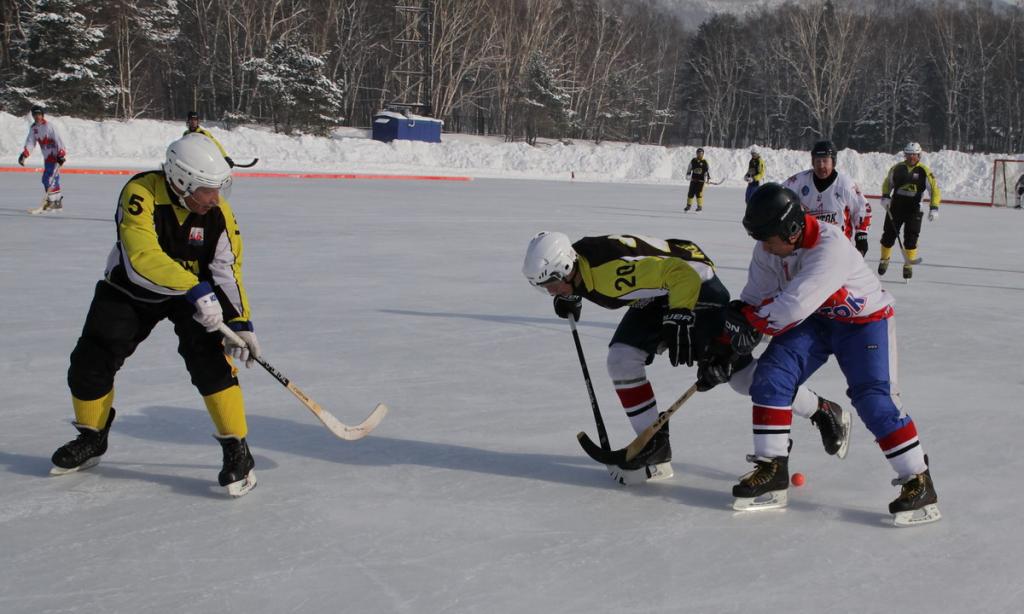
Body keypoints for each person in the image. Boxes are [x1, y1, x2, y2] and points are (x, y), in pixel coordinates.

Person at [521, 231, 850, 486]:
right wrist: (572, 294)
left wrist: (678, 316)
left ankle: (823, 410)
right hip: (659, 295)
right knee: (622, 359)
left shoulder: (610, 273)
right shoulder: (581, 265)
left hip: (696, 289)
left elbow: (682, 275)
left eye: (551, 284)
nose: (550, 291)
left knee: (740, 378)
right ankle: (655, 450)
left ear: (566, 267)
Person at [49, 133, 261, 497]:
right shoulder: (140, 193)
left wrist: (240, 321)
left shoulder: (219, 214)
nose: (216, 199)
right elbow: (141, 257)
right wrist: (194, 288)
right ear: (181, 182)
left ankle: (236, 450)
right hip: (133, 289)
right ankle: (92, 437)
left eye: (219, 188)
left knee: (210, 361)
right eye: (207, 190)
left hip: (197, 295)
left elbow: (227, 268)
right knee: (91, 360)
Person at [726, 183, 940, 526]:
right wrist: (729, 337)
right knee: (770, 377)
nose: (764, 247)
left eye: (769, 239)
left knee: (873, 400)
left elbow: (791, 307)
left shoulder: (831, 247)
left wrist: (750, 324)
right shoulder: (769, 248)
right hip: (817, 321)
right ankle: (772, 469)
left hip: (865, 324)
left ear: (792, 230)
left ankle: (918, 480)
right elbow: (756, 298)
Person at [783, 140, 871, 256]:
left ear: (833, 162)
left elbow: (863, 209)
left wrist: (861, 236)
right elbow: (779, 196)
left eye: (825, 161)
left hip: (837, 248)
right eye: (817, 161)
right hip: (807, 248)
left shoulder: (845, 185)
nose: (821, 166)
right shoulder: (798, 182)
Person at [878, 142, 941, 279]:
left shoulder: (924, 171)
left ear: (919, 155)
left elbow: (934, 190)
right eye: (909, 154)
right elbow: (887, 184)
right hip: (895, 208)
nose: (911, 157)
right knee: (888, 235)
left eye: (914, 154)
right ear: (905, 154)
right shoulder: (897, 168)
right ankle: (884, 259)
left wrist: (934, 208)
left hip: (914, 210)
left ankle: (908, 264)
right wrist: (885, 196)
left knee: (911, 238)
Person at [18, 106, 66, 212]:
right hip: (47, 158)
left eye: (39, 114)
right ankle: (56, 202)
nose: (37, 116)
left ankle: (52, 202)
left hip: (55, 156)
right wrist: (24, 154)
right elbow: (31, 142)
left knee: (49, 178)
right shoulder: (34, 128)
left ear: (42, 115)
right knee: (50, 179)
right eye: (35, 114)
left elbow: (58, 140)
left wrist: (61, 154)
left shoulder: (49, 126)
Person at [684, 147, 710, 212]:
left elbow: (707, 171)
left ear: (703, 154)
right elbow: (689, 168)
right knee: (691, 193)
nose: (699, 155)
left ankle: (699, 206)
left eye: (701, 154)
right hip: (693, 180)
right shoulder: (693, 161)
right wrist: (688, 174)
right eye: (698, 153)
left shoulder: (704, 162)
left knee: (699, 193)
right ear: (696, 154)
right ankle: (688, 206)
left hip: (701, 181)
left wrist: (707, 178)